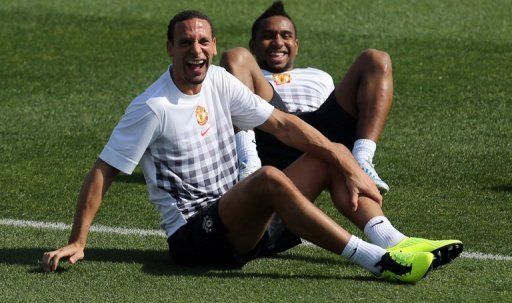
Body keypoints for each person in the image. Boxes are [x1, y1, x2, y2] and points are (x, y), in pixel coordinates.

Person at [42, 10, 461, 284]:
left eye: (203, 42)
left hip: (252, 228)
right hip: (197, 240)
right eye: (186, 42)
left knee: (327, 151)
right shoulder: (152, 107)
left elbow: (283, 124)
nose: (196, 50)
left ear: (212, 45)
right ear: (169, 48)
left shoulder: (221, 80)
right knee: (267, 177)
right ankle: (376, 261)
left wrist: (343, 158)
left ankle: (391, 239)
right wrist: (79, 240)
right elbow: (104, 170)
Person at [229, 1, 392, 193]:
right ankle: (248, 163)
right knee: (235, 55)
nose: (278, 42)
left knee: (376, 59)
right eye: (268, 36)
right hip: (273, 126)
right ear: (253, 46)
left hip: (320, 132)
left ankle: (362, 160)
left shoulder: (319, 76)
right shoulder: (246, 74)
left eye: (286, 36)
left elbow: (337, 113)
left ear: (296, 46)